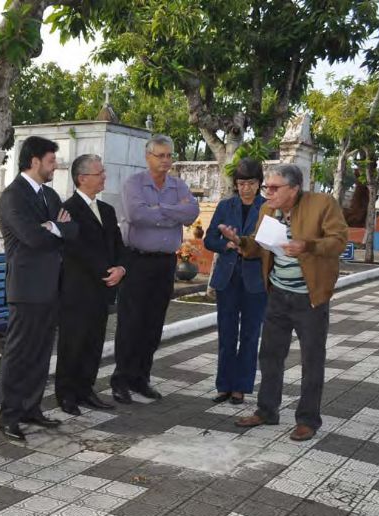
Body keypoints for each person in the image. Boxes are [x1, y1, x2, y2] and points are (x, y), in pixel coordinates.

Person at [219, 163, 347, 442]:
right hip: (277, 294)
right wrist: (240, 242)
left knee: (311, 359)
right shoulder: (268, 210)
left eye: (274, 188)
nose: (268, 192)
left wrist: (307, 245)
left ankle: (308, 420)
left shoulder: (323, 204)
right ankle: (267, 410)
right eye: (267, 187)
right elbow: (258, 246)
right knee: (270, 355)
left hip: (310, 297)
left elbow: (338, 241)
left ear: (294, 188)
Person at [0, 136, 77, 442]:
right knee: (18, 353)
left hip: (51, 286)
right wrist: (57, 228)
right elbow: (31, 237)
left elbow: (73, 230)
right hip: (25, 288)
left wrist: (53, 227)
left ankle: (31, 408)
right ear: (34, 161)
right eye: (51, 160)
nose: (55, 166)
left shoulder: (50, 195)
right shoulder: (13, 197)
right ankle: (9, 415)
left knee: (42, 352)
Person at [111, 135, 199, 404]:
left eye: (169, 155)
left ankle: (141, 378)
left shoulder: (178, 185)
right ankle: (121, 380)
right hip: (137, 261)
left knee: (153, 323)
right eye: (160, 155)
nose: (166, 160)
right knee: (131, 322)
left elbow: (191, 213)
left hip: (165, 263)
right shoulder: (134, 184)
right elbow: (137, 215)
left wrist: (159, 209)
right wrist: (173, 212)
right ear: (147, 157)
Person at [55, 154, 126, 416]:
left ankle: (86, 390)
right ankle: (66, 394)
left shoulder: (107, 210)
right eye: (99, 173)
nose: (104, 177)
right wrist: (106, 270)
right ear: (82, 178)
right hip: (77, 290)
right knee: (72, 343)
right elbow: (76, 249)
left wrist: (121, 268)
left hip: (102, 290)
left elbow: (118, 245)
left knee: (94, 343)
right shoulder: (68, 209)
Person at [203, 158, 267, 405]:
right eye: (241, 183)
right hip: (227, 279)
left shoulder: (267, 208)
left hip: (255, 281)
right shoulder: (225, 206)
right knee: (226, 333)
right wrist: (226, 244)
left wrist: (248, 246)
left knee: (250, 335)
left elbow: (270, 244)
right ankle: (224, 385)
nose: (245, 188)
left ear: (259, 183)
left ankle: (241, 387)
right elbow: (209, 240)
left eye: (250, 183)